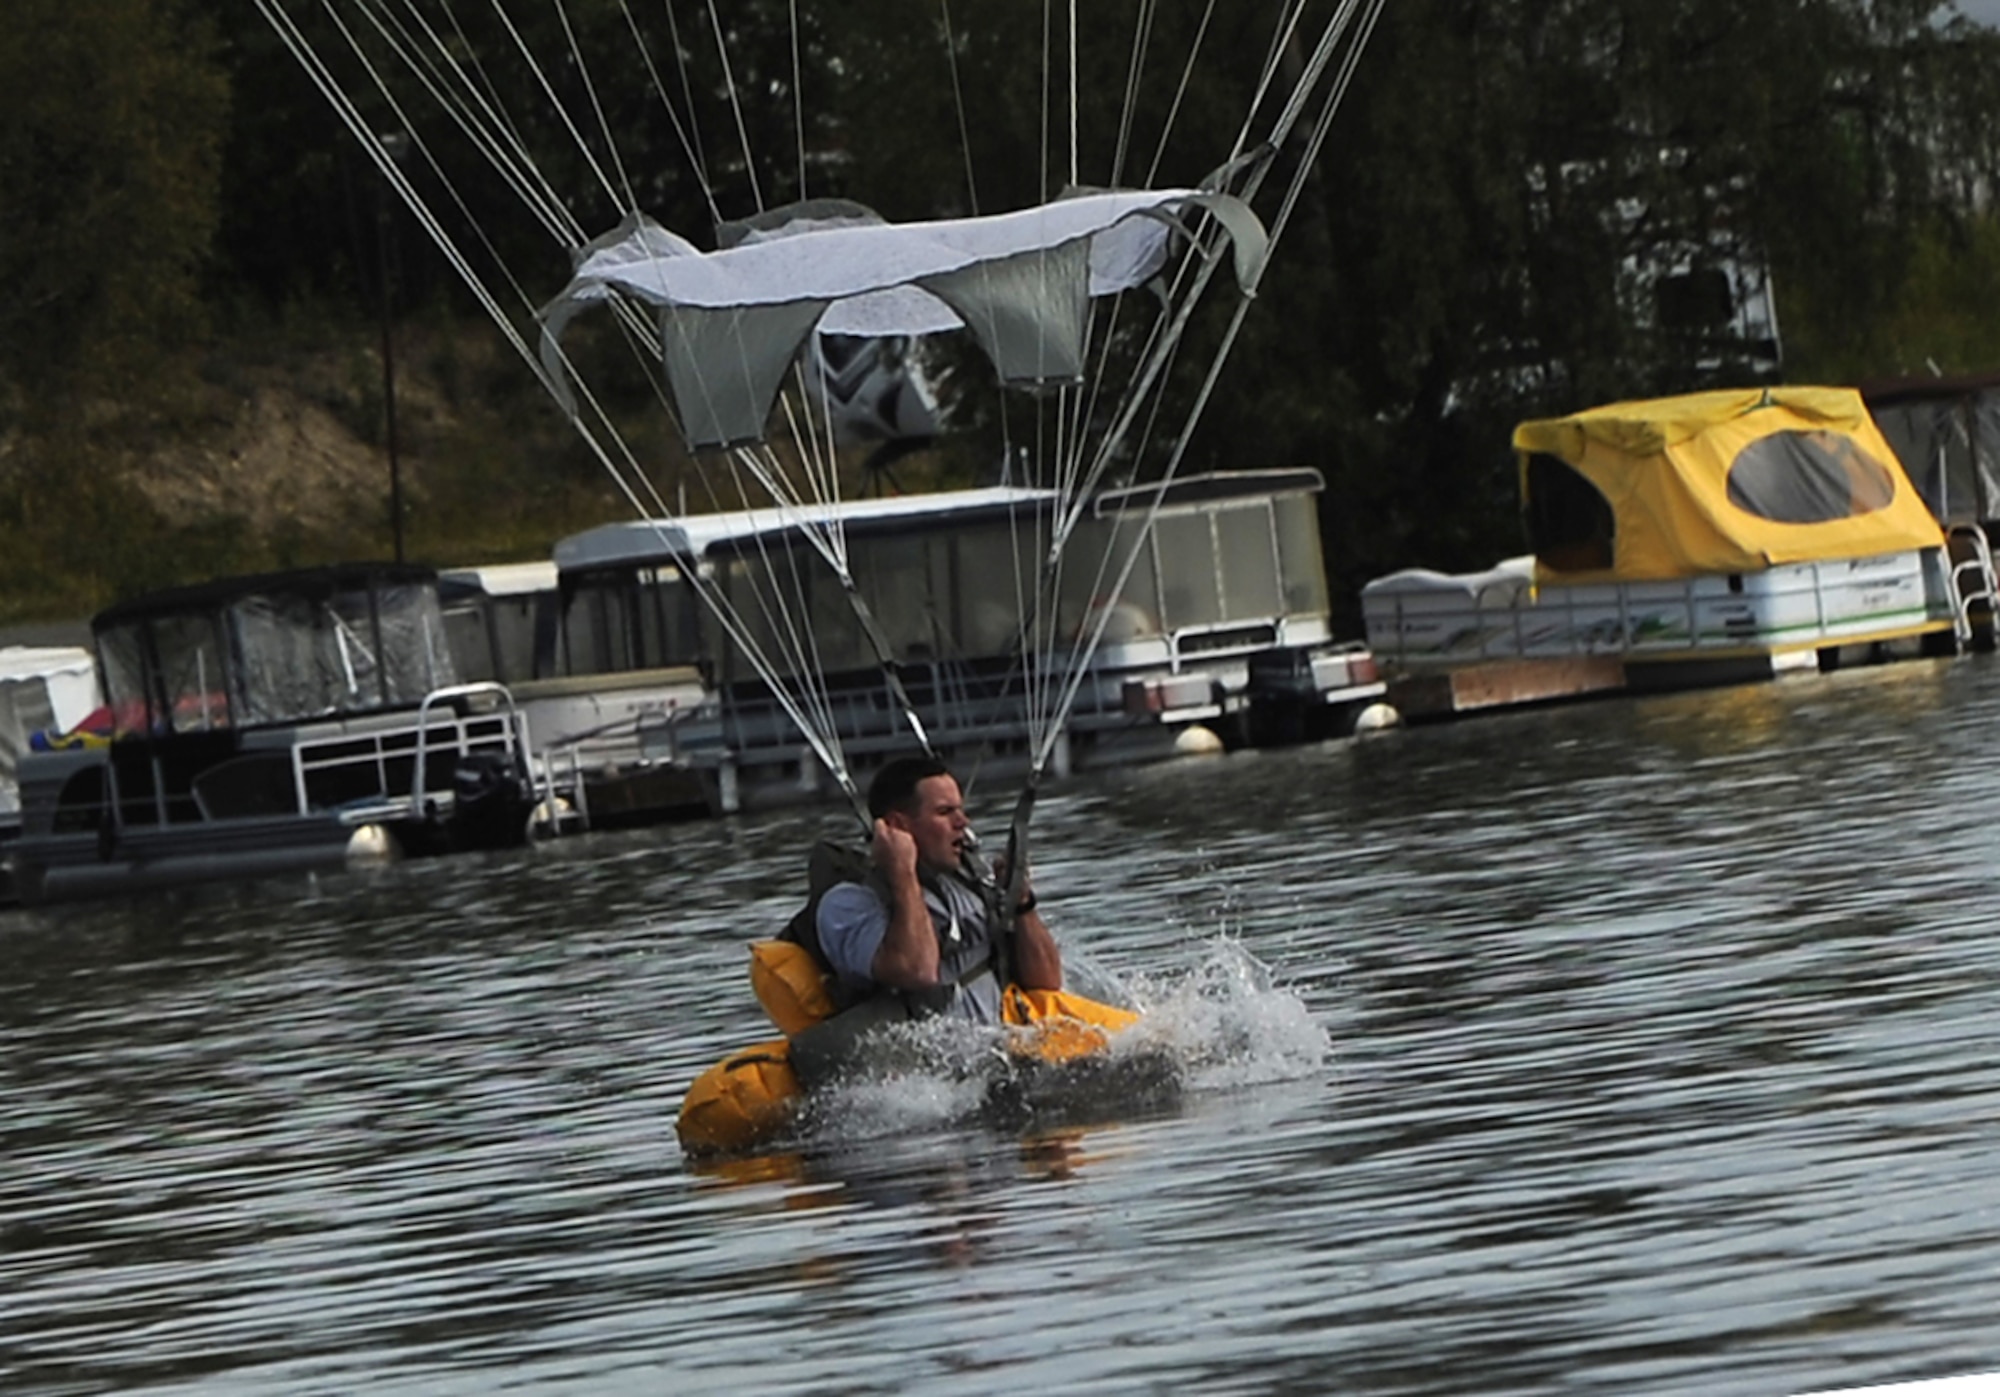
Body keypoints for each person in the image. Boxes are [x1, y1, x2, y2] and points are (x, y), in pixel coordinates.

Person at [815, 755, 1062, 1025]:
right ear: (898, 826)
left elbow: (1046, 983)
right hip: (932, 1060)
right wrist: (902, 873)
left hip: (1005, 1046)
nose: (963, 822)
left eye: (960, 810)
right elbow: (916, 970)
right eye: (945, 812)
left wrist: (1022, 903)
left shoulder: (968, 883)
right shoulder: (847, 904)